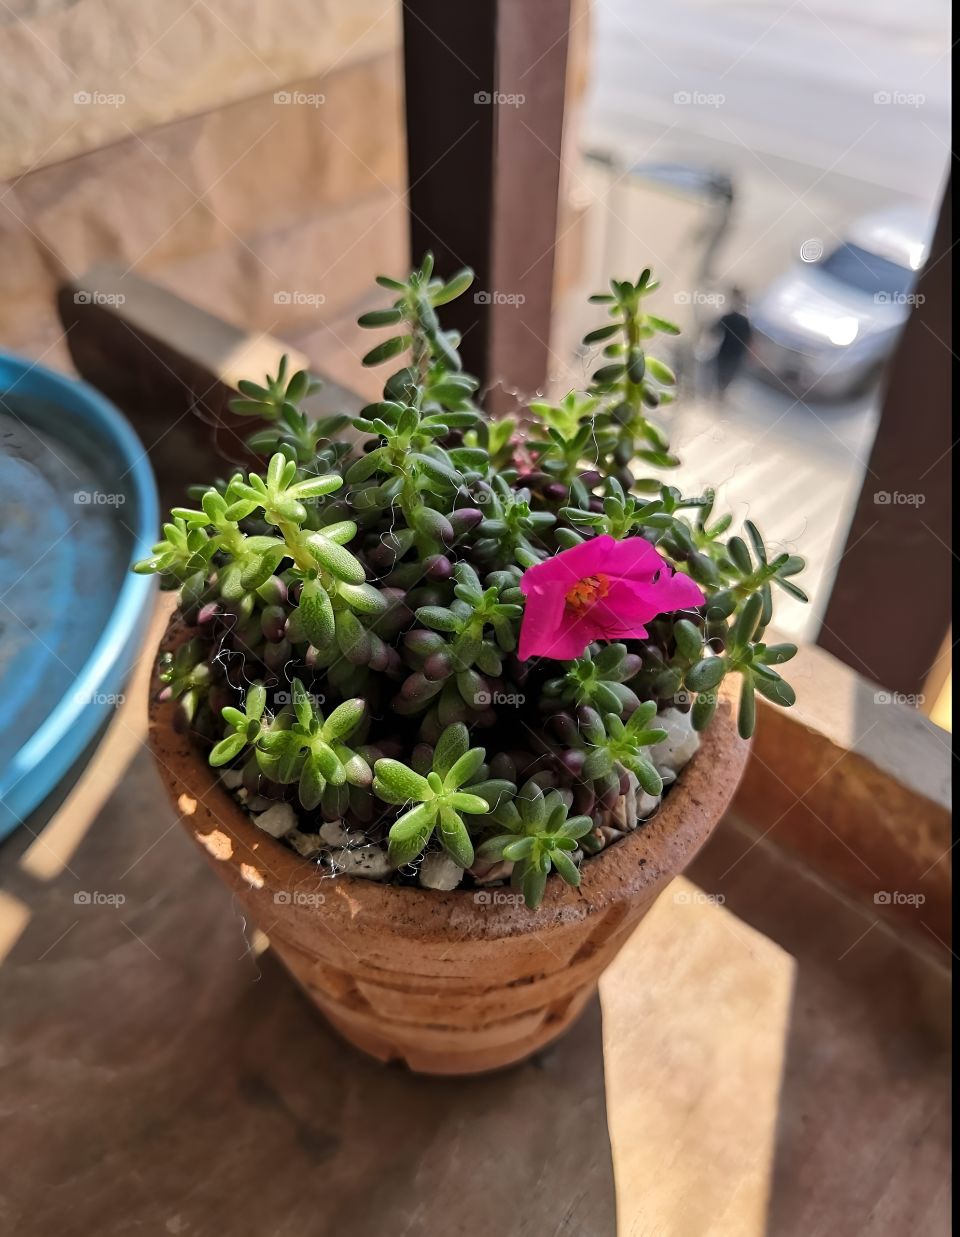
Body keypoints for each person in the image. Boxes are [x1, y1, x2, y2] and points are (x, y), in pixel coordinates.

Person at [712, 289, 752, 398]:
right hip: (733, 354)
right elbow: (749, 340)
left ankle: (719, 393)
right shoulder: (743, 321)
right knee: (725, 376)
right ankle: (720, 393)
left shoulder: (729, 318)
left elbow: (713, 329)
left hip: (727, 352)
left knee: (721, 375)